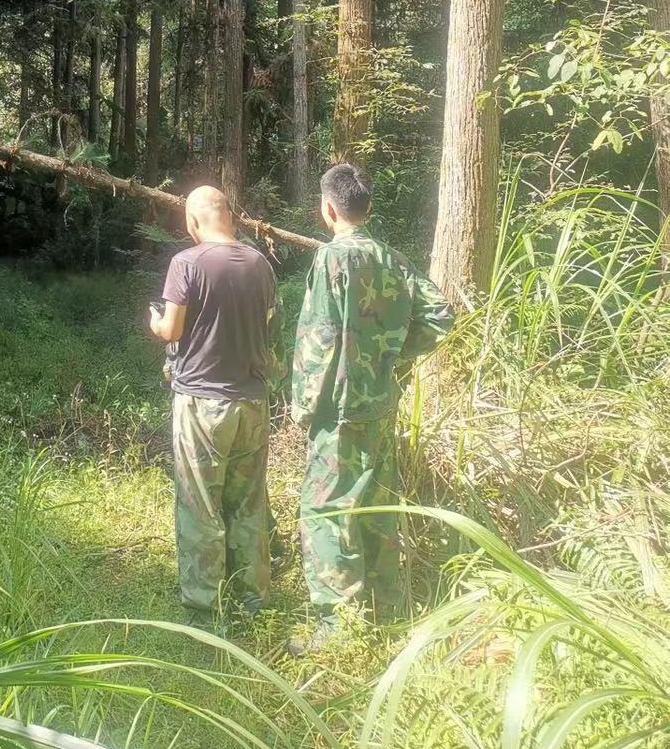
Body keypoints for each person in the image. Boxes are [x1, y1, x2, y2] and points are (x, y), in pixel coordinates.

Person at [290, 162, 454, 652]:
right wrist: (390, 352)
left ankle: (337, 628)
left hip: (338, 411)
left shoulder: (331, 259)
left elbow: (317, 338)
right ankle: (389, 608)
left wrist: (302, 404)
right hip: (380, 405)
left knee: (324, 511)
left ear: (327, 209)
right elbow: (441, 315)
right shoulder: (391, 258)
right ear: (369, 208)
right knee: (378, 506)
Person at [149, 184, 283, 625]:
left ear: (192, 221)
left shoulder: (185, 263)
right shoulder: (260, 264)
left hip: (202, 402)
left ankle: (206, 604)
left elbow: (172, 330)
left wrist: (155, 322)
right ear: (231, 215)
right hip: (252, 401)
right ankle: (253, 596)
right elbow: (266, 323)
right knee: (248, 502)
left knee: (200, 502)